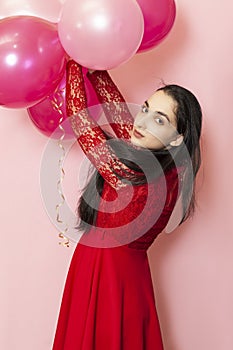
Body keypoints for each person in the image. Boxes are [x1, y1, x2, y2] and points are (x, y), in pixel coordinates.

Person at [52, 60, 202, 350]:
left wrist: (72, 61)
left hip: (105, 275)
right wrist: (95, 67)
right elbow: (120, 112)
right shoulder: (166, 169)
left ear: (177, 138)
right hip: (128, 277)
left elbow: (79, 118)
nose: (141, 121)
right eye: (145, 109)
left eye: (159, 119)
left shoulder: (132, 173)